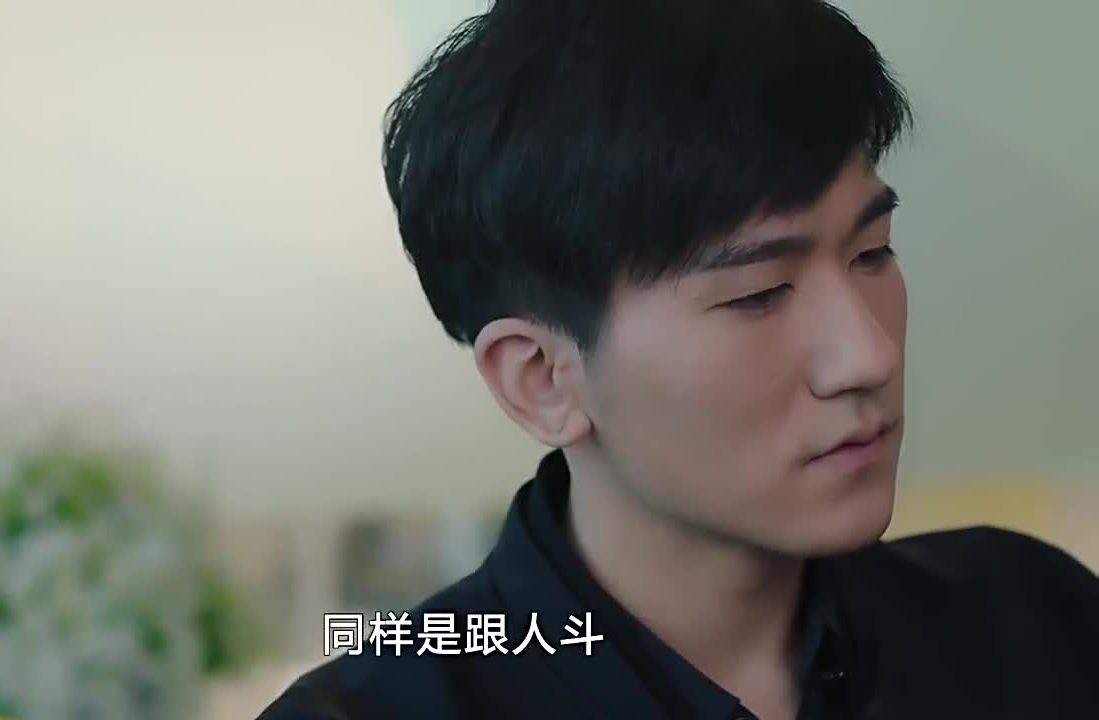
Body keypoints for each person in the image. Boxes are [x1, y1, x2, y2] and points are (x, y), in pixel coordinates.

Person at [259, 1, 1099, 718]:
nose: (867, 355)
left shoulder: (1031, 623)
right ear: (542, 380)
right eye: (758, 294)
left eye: (872, 252)